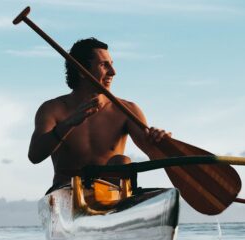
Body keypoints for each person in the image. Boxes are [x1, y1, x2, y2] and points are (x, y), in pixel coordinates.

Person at [28, 37, 171, 193]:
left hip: (112, 198)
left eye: (112, 64)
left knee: (121, 161)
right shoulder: (52, 109)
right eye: (104, 65)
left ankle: (115, 208)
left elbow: (156, 155)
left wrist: (161, 141)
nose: (113, 72)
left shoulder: (126, 110)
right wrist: (69, 123)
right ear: (81, 71)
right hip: (68, 195)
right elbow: (35, 156)